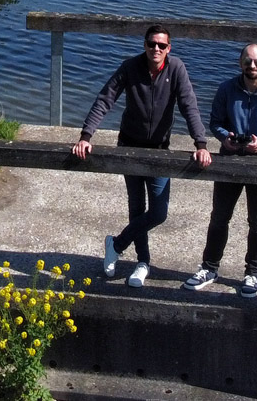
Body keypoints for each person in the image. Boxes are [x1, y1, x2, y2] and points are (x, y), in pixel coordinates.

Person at [72, 26, 212, 288]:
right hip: (129, 147)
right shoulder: (130, 67)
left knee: (158, 213)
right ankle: (142, 262)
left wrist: (200, 143)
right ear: (144, 45)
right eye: (151, 44)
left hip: (159, 150)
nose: (156, 49)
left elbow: (188, 105)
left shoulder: (176, 69)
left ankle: (116, 244)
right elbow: (105, 99)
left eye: (161, 45)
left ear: (169, 48)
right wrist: (86, 136)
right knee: (136, 208)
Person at [184, 43, 257, 298]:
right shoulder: (226, 89)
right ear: (240, 63)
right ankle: (209, 268)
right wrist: (226, 138)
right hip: (229, 162)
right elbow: (215, 122)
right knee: (219, 217)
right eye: (248, 61)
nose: (252, 66)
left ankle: (253, 273)